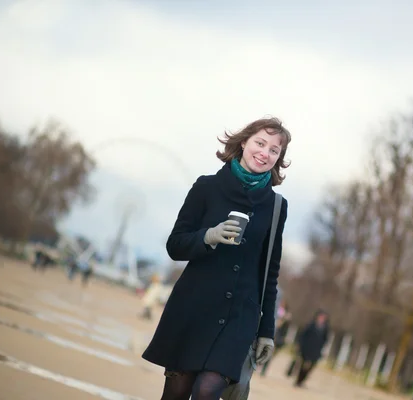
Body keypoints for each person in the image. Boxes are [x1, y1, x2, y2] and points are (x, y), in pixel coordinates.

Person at [141, 117, 291, 400]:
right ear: (244, 142)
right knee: (177, 392)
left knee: (207, 390)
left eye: (274, 150)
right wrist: (208, 236)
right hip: (194, 308)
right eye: (260, 143)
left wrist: (266, 332)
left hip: (238, 318)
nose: (265, 152)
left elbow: (270, 273)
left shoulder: (276, 207)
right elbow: (175, 245)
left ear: (279, 158)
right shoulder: (206, 187)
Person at [286, 309, 330, 388]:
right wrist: (300, 345)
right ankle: (298, 381)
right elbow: (303, 336)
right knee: (302, 366)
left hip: (316, 351)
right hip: (306, 349)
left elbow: (325, 340)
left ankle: (302, 381)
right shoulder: (311, 325)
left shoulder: (325, 329)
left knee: (310, 367)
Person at [260, 298, 292, 376]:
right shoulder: (275, 309)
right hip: (270, 332)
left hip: (277, 337)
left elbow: (285, 329)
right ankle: (260, 365)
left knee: (270, 354)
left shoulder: (286, 316)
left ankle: (264, 369)